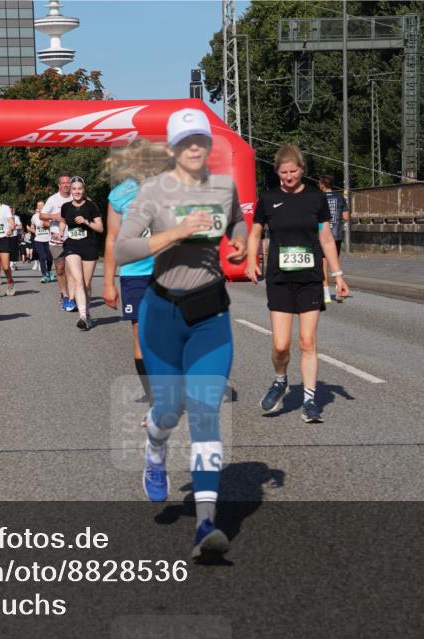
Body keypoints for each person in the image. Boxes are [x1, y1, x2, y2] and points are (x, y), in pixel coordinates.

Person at [114, 108, 248, 561]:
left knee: (206, 412)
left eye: (201, 140)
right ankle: (154, 451)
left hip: (210, 315)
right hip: (162, 314)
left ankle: (207, 523)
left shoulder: (224, 186)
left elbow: (236, 222)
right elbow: (122, 248)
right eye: (186, 141)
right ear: (173, 148)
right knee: (169, 409)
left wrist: (243, 239)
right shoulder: (153, 191)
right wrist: (174, 233)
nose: (195, 148)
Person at [246, 147, 350, 423]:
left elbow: (327, 239)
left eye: (294, 172)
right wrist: (250, 260)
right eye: (283, 172)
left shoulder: (316, 198)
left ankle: (309, 401)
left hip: (309, 278)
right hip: (279, 279)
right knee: (281, 346)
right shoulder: (268, 198)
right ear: (277, 172)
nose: (289, 177)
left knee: (307, 341)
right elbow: (255, 232)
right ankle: (280, 381)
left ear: (302, 169)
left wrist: (338, 275)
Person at [102, 139, 173, 420]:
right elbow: (111, 239)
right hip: (133, 275)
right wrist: (108, 281)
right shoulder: (119, 196)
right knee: (141, 338)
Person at [59, 176, 103, 330]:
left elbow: (100, 228)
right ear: (70, 190)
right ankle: (82, 316)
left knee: (86, 284)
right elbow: (63, 221)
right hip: (71, 246)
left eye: (79, 189)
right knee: (78, 280)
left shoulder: (91, 206)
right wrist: (60, 232)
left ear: (83, 190)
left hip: (89, 246)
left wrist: (86, 222)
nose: (76, 191)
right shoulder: (66, 207)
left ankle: (87, 312)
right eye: (74, 189)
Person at [40, 173, 75, 310]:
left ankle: (71, 297)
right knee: (60, 270)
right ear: (59, 185)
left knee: (72, 270)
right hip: (56, 240)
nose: (66, 185)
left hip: (73, 238)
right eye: (64, 183)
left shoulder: (76, 196)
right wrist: (54, 216)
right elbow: (42, 215)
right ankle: (64, 294)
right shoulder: (53, 199)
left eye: (68, 183)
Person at [318, 175, 350, 303]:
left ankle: (326, 295)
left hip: (322, 235)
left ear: (322, 185)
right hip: (336, 235)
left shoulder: (319, 198)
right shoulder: (340, 197)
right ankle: (338, 291)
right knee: (335, 263)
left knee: (323, 265)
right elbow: (346, 217)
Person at [30, 200, 52, 282]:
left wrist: (46, 224)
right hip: (38, 240)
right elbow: (32, 225)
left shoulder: (49, 215)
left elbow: (52, 226)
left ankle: (48, 271)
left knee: (49, 258)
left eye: (42, 205)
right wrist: (32, 229)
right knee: (42, 257)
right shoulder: (34, 216)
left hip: (48, 239)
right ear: (37, 207)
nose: (40, 207)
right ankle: (44, 275)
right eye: (38, 206)